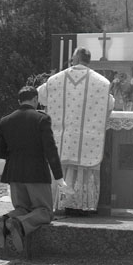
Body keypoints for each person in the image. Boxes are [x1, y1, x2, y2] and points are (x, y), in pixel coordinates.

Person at [37, 47, 113, 216]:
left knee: (61, 166)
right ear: (88, 60)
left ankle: (59, 203)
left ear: (76, 59)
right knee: (83, 169)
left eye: (72, 59)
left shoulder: (55, 80)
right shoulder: (101, 82)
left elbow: (41, 96)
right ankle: (81, 205)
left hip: (62, 137)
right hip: (87, 138)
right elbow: (110, 104)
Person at [0, 86, 67, 253]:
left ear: (19, 101)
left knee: (22, 209)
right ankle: (19, 224)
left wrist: (15, 157)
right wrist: (59, 176)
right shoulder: (41, 119)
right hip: (36, 173)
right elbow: (50, 149)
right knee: (45, 212)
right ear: (35, 99)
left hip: (14, 173)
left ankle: (5, 220)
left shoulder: (6, 120)